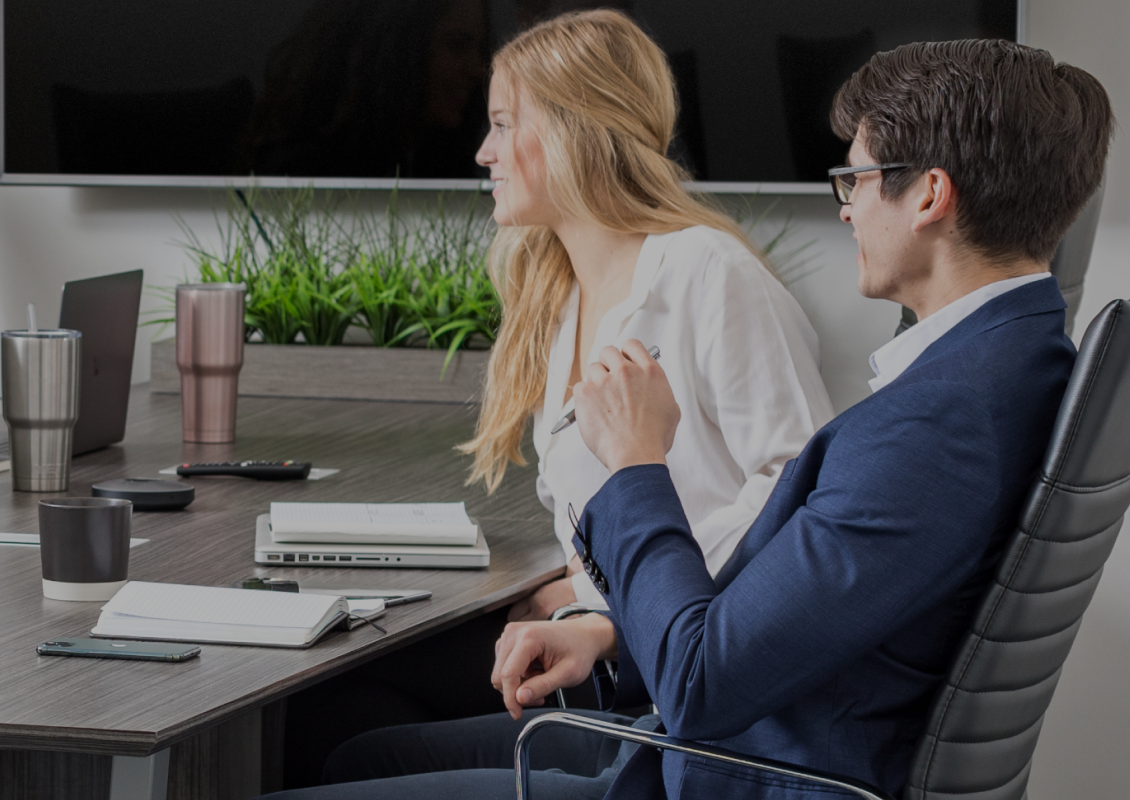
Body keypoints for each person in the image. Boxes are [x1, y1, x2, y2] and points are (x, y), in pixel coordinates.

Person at [262, 34, 1110, 800]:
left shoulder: (935, 428)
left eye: (853, 178)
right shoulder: (1006, 368)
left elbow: (704, 683)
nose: (844, 206)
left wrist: (636, 463)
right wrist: (615, 633)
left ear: (927, 195)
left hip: (732, 769)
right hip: (740, 732)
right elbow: (784, 617)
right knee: (356, 757)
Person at [279, 10, 835, 784]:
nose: (484, 152)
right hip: (614, 644)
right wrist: (582, 591)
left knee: (345, 727)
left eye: (505, 124)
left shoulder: (709, 273)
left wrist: (607, 612)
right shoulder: (557, 292)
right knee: (337, 703)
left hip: (671, 666)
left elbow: (796, 497)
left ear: (578, 131)